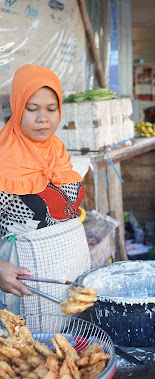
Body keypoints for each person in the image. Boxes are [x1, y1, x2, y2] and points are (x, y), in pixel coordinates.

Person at [0, 64, 91, 316]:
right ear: (17, 108)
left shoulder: (57, 149)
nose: (44, 118)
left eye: (52, 109)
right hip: (24, 288)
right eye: (32, 109)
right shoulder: (3, 159)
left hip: (69, 276)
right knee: (31, 352)